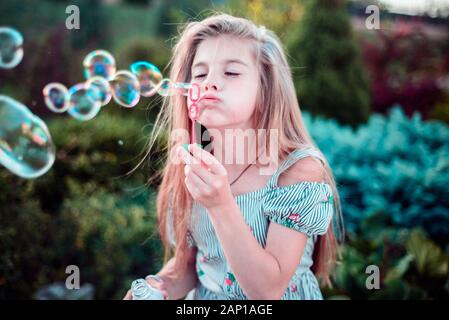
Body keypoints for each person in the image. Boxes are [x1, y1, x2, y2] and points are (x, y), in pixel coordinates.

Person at [124, 12, 343, 300]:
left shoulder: (297, 169)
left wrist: (220, 203)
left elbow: (267, 291)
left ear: (264, 90)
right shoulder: (193, 161)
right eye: (200, 74)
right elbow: (190, 267)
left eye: (231, 72)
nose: (209, 83)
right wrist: (155, 290)